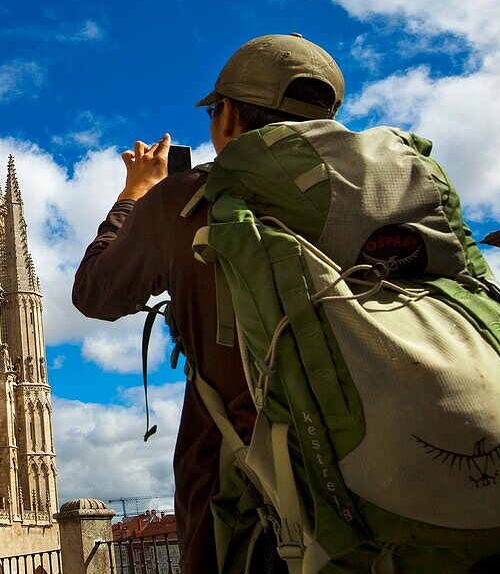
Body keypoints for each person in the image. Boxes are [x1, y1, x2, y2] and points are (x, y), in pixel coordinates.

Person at [73, 33, 343, 574]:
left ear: (227, 120)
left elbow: (94, 291)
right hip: (406, 489)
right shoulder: (384, 188)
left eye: (216, 111)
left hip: (259, 512)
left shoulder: (190, 199)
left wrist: (137, 194)